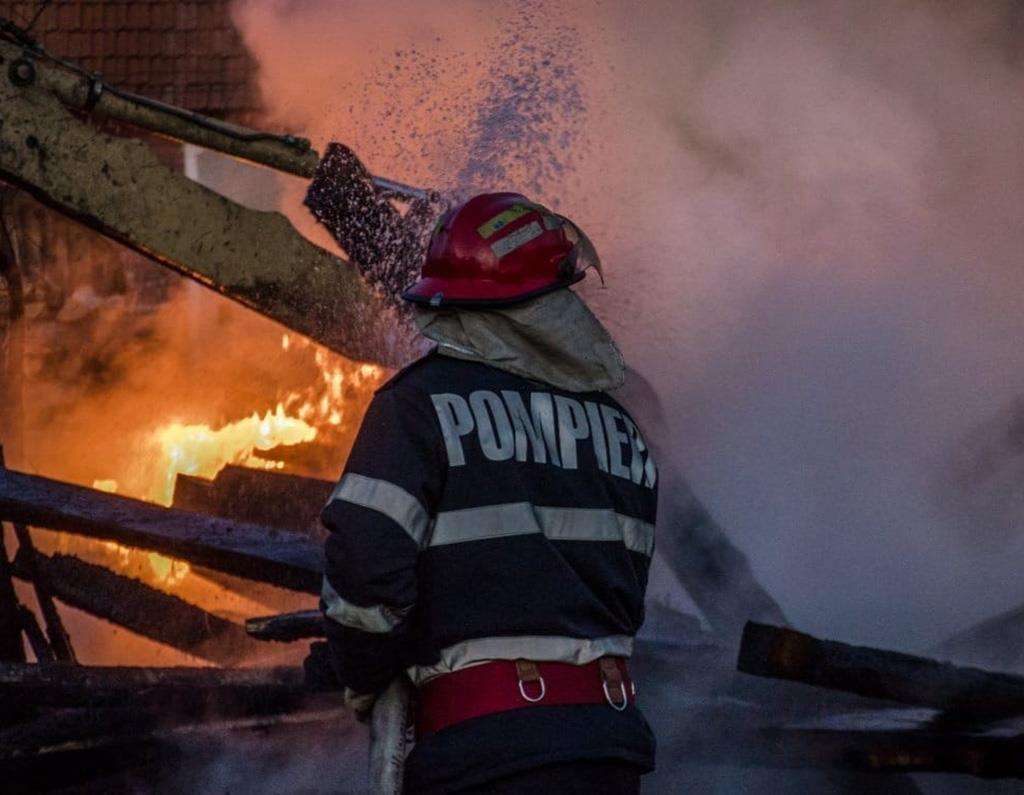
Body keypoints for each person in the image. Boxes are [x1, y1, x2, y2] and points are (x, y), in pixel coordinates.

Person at [320, 192, 657, 794]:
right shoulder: (622, 429)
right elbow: (624, 598)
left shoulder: (415, 407)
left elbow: (365, 579)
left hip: (483, 755)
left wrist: (365, 674)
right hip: (610, 750)